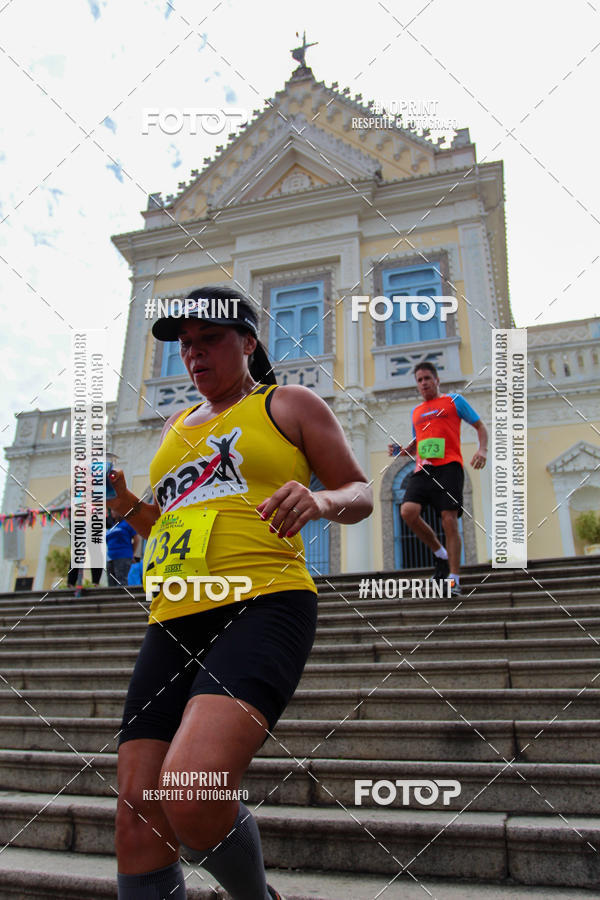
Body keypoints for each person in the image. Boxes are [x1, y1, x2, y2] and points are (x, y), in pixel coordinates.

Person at [108, 285, 373, 900]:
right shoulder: (176, 429)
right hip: (174, 617)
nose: (194, 355)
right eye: (185, 346)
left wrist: (320, 499)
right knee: (135, 819)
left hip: (262, 604)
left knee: (193, 788)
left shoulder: (288, 403)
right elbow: (169, 525)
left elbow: (358, 491)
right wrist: (128, 508)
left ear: (248, 341)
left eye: (210, 339)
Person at [388, 361, 487, 596]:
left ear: (436, 380)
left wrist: (482, 450)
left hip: (449, 467)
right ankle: (439, 553)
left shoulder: (454, 401)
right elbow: (418, 445)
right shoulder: (417, 412)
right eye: (419, 380)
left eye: (427, 378)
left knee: (449, 520)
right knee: (407, 512)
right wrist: (400, 450)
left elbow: (480, 426)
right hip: (423, 469)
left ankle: (454, 579)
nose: (423, 383)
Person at [106, 509, 141, 587]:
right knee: (111, 583)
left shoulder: (127, 524)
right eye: (111, 510)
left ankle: (123, 599)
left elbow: (136, 539)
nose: (112, 512)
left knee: (121, 581)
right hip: (110, 558)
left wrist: (132, 553)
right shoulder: (112, 525)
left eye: (114, 510)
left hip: (123, 556)